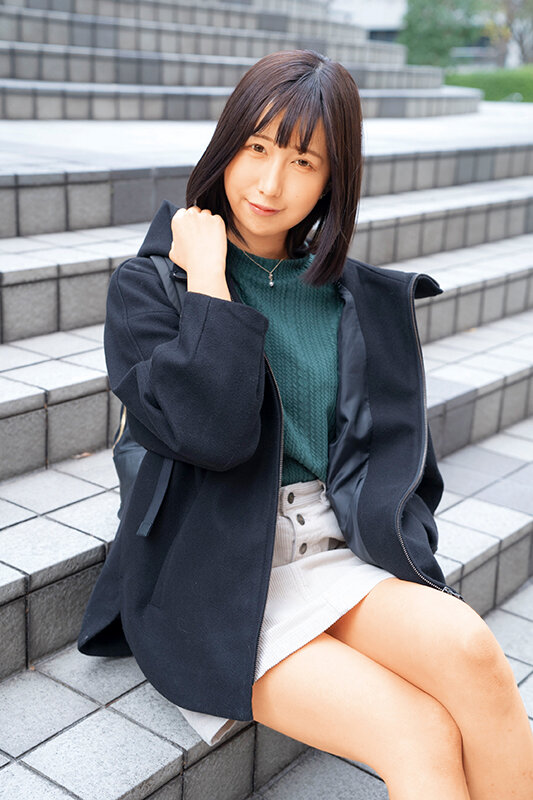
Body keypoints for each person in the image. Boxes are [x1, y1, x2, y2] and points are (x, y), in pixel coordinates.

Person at [78, 50, 533, 799]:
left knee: (475, 655)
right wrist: (210, 283)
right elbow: (214, 435)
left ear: (332, 179)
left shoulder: (354, 297)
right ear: (227, 146)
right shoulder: (151, 288)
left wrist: (398, 541)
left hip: (334, 549)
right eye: (257, 147)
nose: (270, 183)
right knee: (418, 732)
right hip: (216, 572)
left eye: (302, 161)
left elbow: (405, 464)